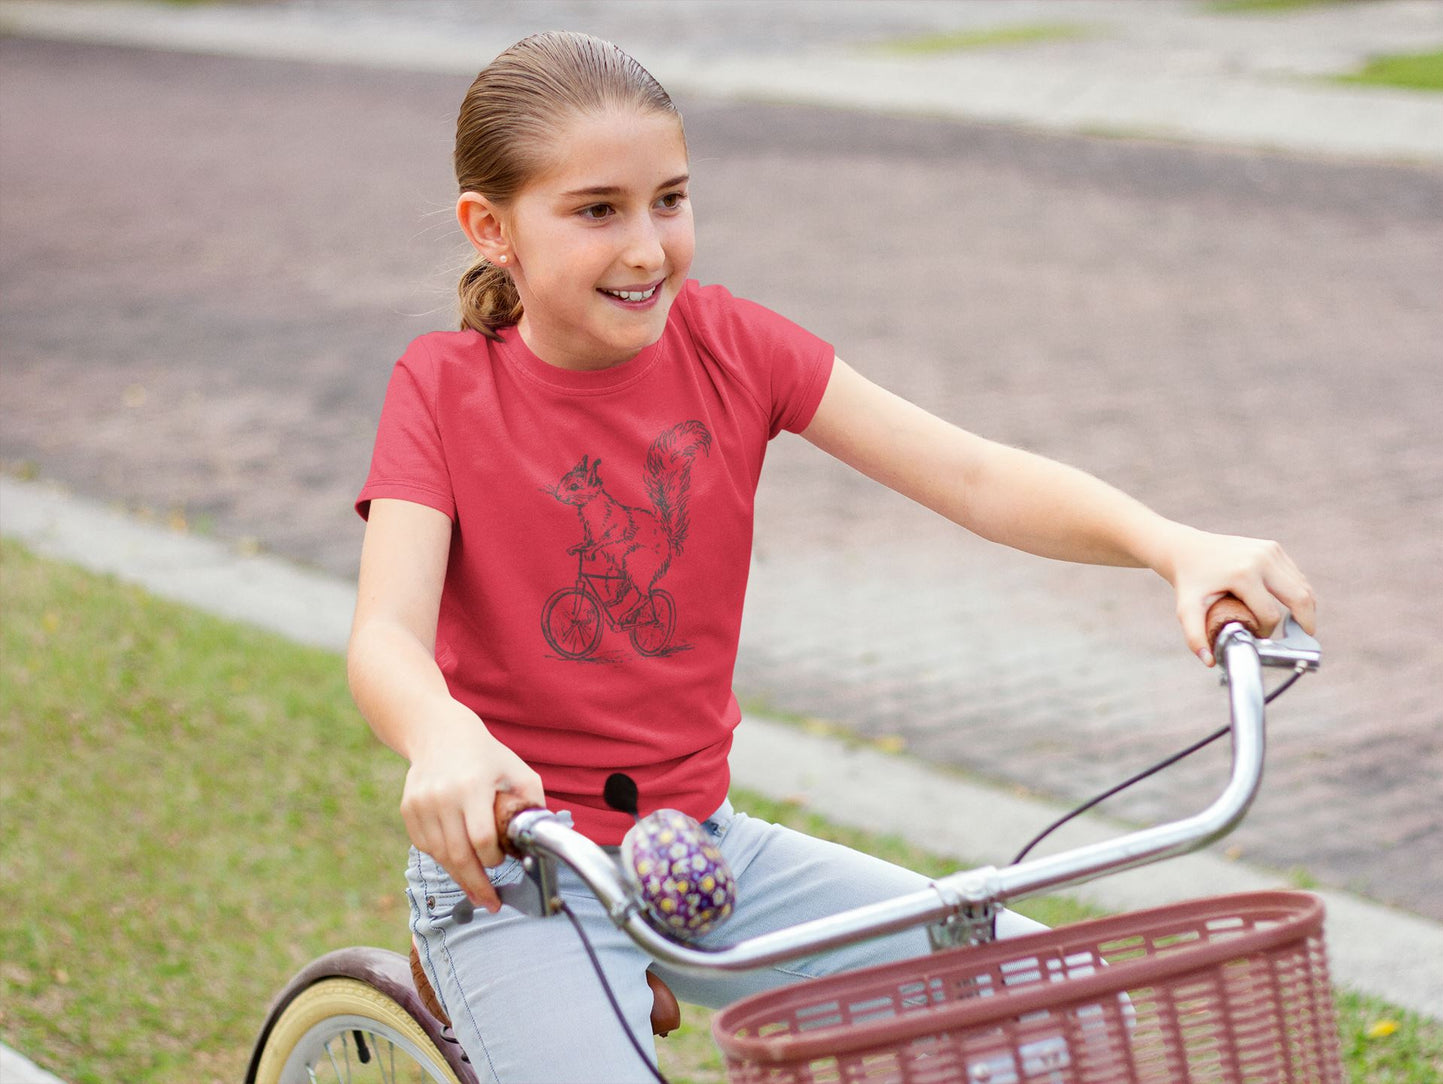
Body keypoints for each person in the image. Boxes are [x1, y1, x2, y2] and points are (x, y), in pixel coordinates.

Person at [348, 31, 1315, 1082]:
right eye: (596, 210)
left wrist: (1166, 545)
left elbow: (974, 477)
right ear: (492, 229)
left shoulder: (732, 346)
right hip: (517, 876)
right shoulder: (442, 389)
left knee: (1046, 987)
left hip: (702, 850)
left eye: (668, 200)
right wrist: (440, 735)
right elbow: (387, 635)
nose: (645, 248)